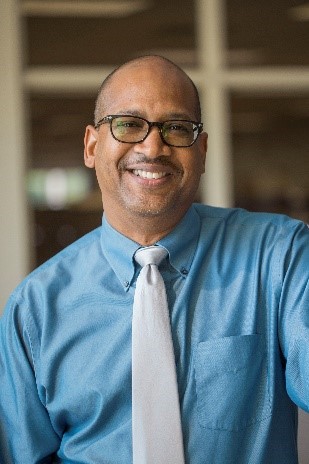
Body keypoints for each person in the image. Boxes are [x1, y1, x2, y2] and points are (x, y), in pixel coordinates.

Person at [0, 55, 308, 463]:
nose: (152, 146)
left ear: (202, 150)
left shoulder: (279, 256)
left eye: (177, 128)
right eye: (128, 124)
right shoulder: (34, 309)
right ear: (92, 146)